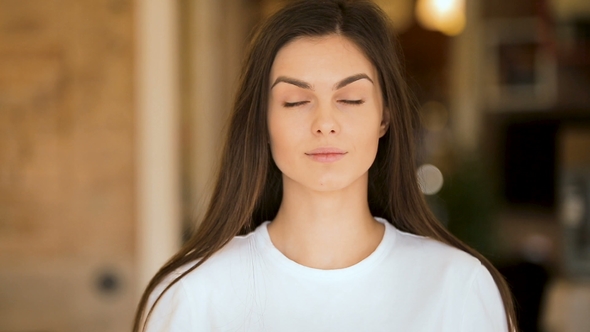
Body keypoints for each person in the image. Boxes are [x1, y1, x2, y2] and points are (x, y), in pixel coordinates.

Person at [133, 0, 517, 331]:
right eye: (295, 101)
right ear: (262, 121)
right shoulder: (193, 293)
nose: (324, 122)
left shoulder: (458, 287)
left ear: (385, 117)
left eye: (350, 99)